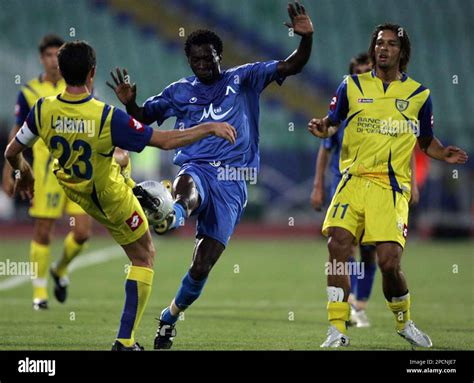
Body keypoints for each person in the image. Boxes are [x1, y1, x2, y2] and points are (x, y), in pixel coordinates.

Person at [4, 40, 237, 350]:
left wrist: (23, 173)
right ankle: (125, 342)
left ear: (60, 71)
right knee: (144, 257)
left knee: (120, 161)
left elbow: (12, 151)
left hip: (75, 187)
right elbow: (166, 140)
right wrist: (208, 127)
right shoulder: (106, 116)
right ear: (92, 73)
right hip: (108, 197)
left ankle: (142, 194)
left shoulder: (43, 109)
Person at [107, 1, 313, 349]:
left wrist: (306, 38)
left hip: (233, 181)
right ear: (189, 61)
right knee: (188, 186)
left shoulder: (244, 78)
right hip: (197, 168)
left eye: (208, 58)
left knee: (202, 265)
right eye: (196, 60)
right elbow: (143, 116)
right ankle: (169, 214)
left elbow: (293, 64)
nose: (202, 65)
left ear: (220, 55)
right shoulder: (179, 91)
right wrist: (130, 102)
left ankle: (170, 317)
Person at [308, 23, 468, 348]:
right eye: (380, 43)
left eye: (392, 44)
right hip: (353, 181)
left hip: (390, 188)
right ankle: (337, 328)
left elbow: (426, 141)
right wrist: (322, 128)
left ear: (402, 51)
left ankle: (403, 322)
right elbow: (331, 123)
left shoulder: (419, 95)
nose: (384, 48)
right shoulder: (351, 86)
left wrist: (443, 153)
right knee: (337, 246)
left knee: (388, 263)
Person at [1, 34, 92, 310]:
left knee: (83, 232)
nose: (54, 60)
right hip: (44, 173)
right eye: (49, 55)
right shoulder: (29, 92)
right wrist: (10, 170)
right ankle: (39, 293)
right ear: (42, 58)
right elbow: (17, 132)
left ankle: (60, 269)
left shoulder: (77, 88)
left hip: (76, 171)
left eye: (58, 55)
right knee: (43, 230)